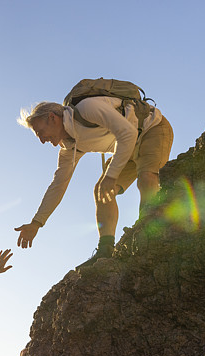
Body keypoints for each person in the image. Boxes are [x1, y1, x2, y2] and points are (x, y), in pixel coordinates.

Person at [14, 94, 174, 266]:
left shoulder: (87, 109)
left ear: (52, 118)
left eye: (40, 132)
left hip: (152, 129)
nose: (41, 140)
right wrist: (36, 223)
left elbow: (128, 132)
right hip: (127, 147)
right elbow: (58, 186)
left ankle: (148, 233)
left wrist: (111, 176)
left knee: (146, 176)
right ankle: (105, 250)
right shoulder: (69, 149)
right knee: (101, 191)